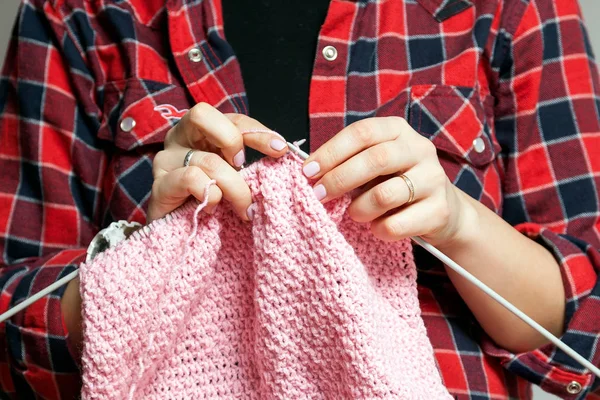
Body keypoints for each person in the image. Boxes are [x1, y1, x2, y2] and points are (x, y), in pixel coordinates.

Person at [0, 0, 599, 397]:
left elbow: (586, 320)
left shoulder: (511, 8)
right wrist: (148, 257)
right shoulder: (77, 13)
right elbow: (13, 319)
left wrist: (460, 223)